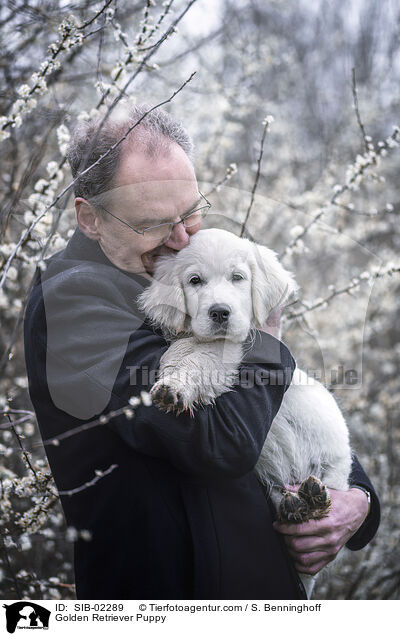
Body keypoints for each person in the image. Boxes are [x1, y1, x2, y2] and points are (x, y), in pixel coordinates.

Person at [24, 104, 380, 599]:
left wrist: (355, 500)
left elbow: (282, 408)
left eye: (190, 211)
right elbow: (219, 442)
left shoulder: (184, 269)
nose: (181, 237)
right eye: (153, 222)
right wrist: (268, 342)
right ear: (90, 218)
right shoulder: (75, 301)